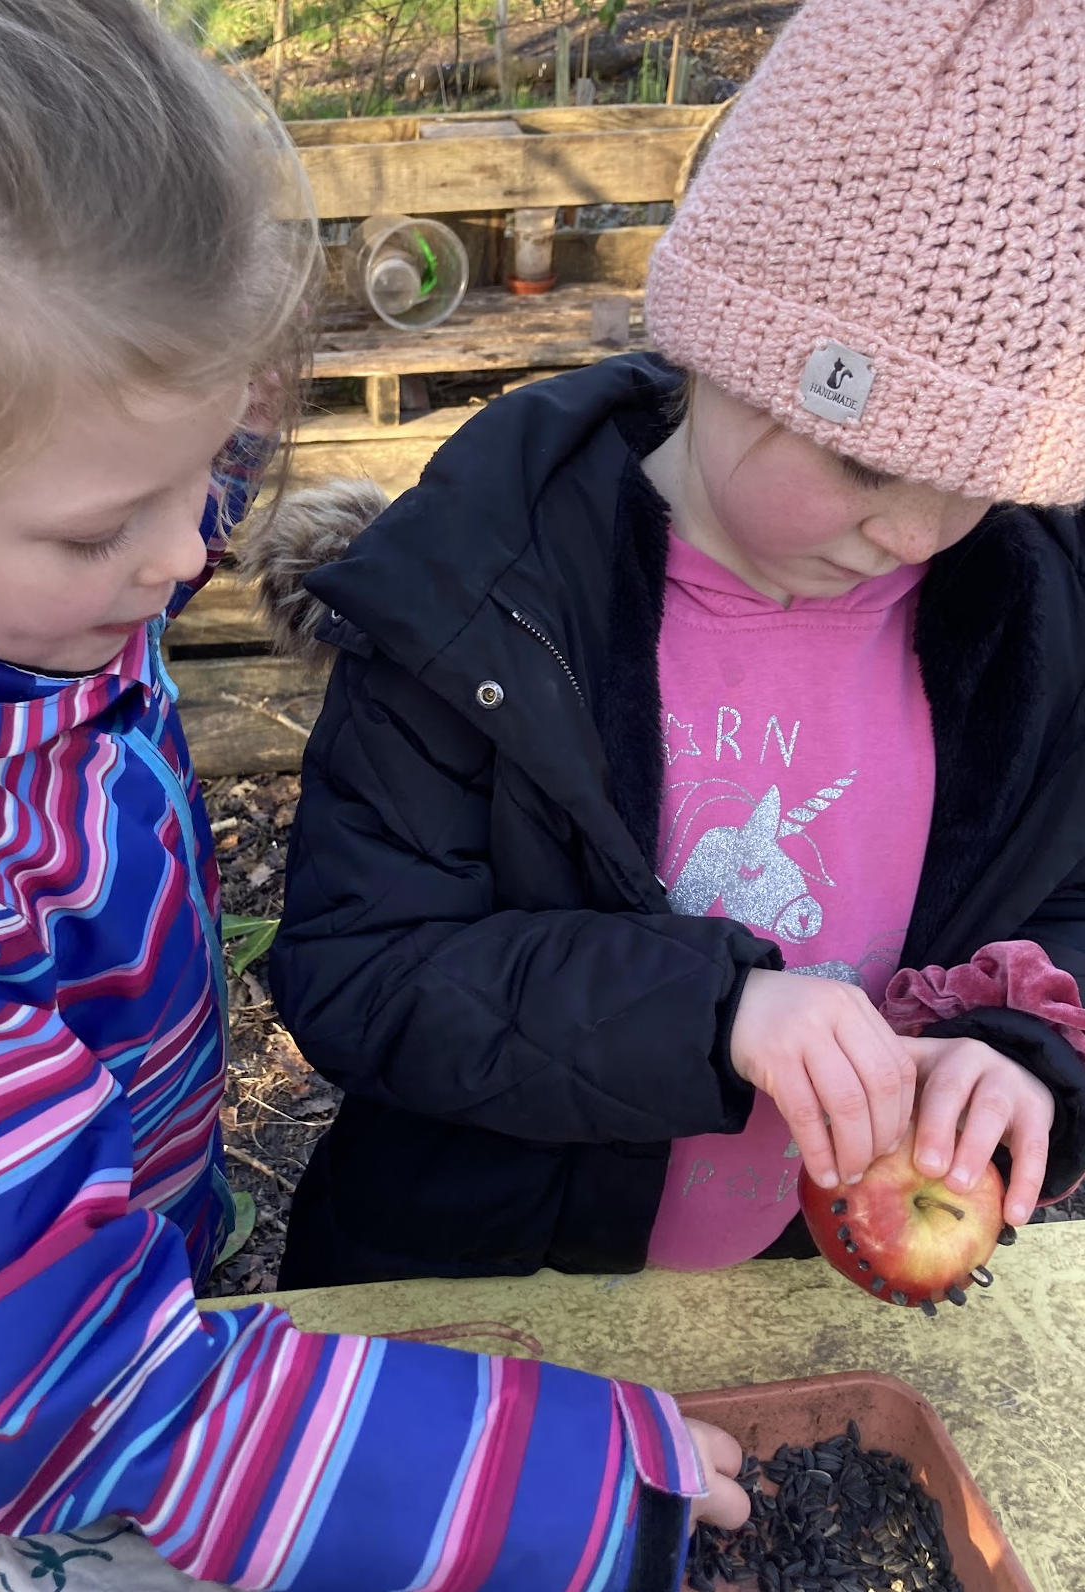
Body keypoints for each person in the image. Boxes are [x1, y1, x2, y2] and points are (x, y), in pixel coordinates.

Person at [0, 0, 750, 1583]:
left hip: (100, 1143)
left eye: (215, 468)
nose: (191, 554)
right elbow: (93, 1402)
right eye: (112, 524)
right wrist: (577, 1485)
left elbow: (130, 473)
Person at [253, 0, 1085, 1293]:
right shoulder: (486, 588)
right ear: (728, 348)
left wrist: (1021, 1036)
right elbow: (363, 968)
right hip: (499, 1297)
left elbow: (1067, 897)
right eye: (869, 460)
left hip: (805, 1298)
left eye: (976, 479)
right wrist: (712, 1013)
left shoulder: (1029, 620)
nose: (916, 530)